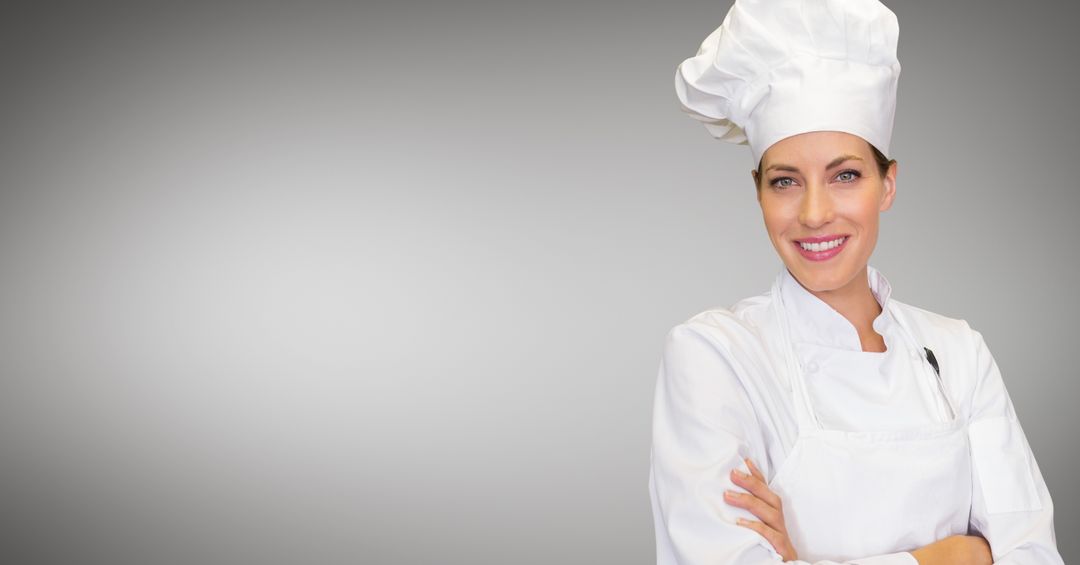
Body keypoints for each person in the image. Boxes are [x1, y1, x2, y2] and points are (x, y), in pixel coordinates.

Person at [647, 1, 1065, 564]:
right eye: (785, 181)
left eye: (845, 175)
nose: (815, 213)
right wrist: (951, 558)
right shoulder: (716, 355)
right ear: (759, 193)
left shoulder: (959, 352)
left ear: (887, 185)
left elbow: (1033, 554)